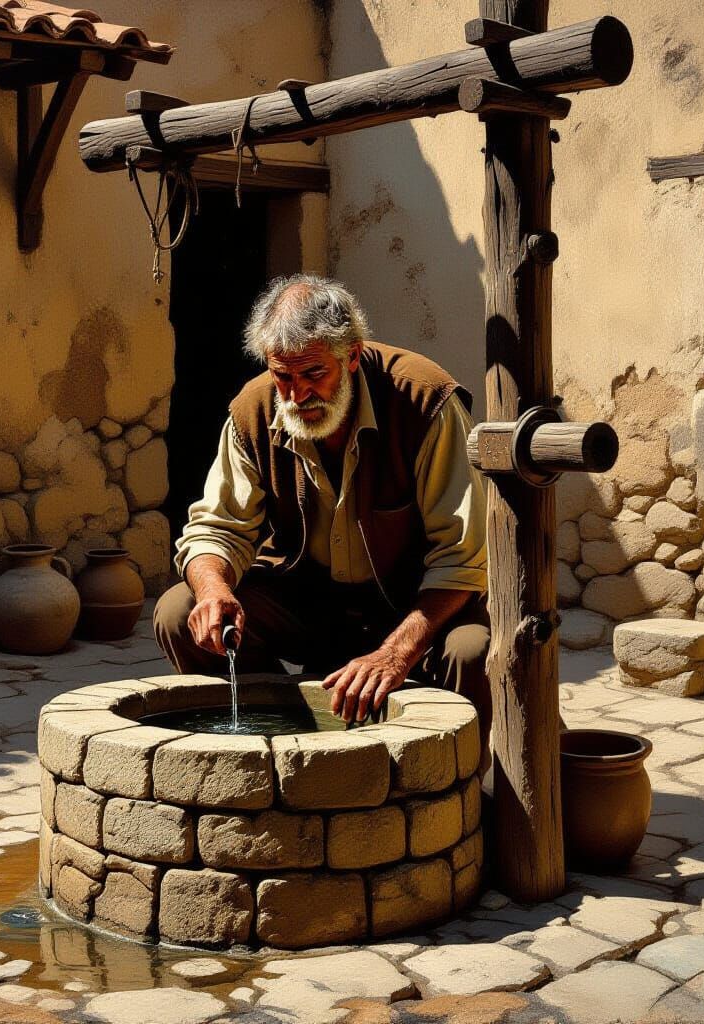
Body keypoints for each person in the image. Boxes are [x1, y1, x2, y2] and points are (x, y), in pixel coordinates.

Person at [154, 274, 491, 743]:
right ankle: (274, 738)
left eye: (315, 375)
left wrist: (394, 654)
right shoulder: (253, 411)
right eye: (283, 377)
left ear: (351, 356)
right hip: (308, 601)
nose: (297, 396)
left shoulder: (423, 400)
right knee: (181, 610)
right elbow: (216, 528)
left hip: (409, 601)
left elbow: (463, 557)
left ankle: (454, 793)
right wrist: (213, 588)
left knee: (471, 650)